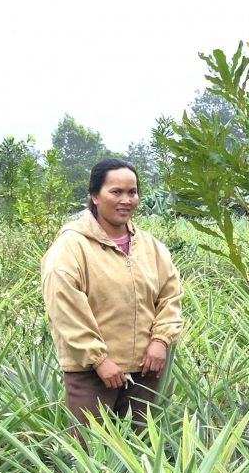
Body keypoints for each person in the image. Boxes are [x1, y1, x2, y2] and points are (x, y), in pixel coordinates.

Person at [41, 158, 183, 437]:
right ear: (94, 196)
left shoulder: (151, 247)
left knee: (140, 454)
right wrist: (99, 361)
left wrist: (160, 340)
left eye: (132, 192)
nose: (126, 200)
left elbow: (170, 295)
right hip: (92, 375)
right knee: (90, 461)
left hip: (146, 371)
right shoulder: (70, 247)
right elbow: (65, 310)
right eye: (116, 192)